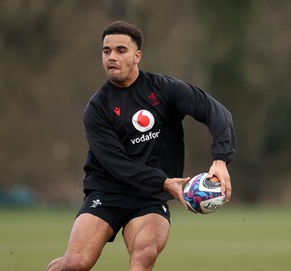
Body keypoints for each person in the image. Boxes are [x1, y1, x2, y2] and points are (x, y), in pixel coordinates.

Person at [46, 20, 236, 271]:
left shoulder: (163, 89)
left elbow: (216, 112)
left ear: (137, 56)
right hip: (108, 192)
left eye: (120, 50)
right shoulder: (97, 108)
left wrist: (220, 160)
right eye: (106, 51)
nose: (112, 57)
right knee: (74, 264)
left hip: (149, 198)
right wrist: (165, 182)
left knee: (144, 254)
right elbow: (118, 164)